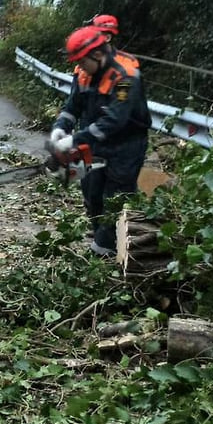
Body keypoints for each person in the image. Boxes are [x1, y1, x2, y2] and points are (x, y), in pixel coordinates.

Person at [50, 24, 151, 257]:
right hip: (92, 141)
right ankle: (102, 241)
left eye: (82, 61)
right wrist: (60, 128)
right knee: (91, 194)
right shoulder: (84, 72)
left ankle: (104, 252)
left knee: (115, 198)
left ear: (97, 54)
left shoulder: (126, 78)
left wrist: (75, 139)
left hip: (125, 144)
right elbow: (72, 106)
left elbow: (114, 120)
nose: (80, 66)